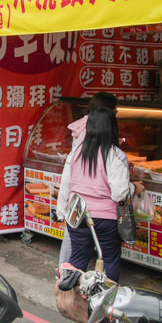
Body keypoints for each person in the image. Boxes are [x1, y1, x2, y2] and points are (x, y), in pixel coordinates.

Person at [56, 108, 142, 282]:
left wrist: (61, 211)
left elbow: (65, 183)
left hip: (76, 214)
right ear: (112, 127)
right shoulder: (115, 155)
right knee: (108, 259)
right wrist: (134, 188)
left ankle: (72, 300)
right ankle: (105, 302)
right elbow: (119, 194)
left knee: (78, 260)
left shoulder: (76, 152)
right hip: (105, 218)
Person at [58, 92, 118, 266]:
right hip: (88, 201)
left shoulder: (84, 125)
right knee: (78, 248)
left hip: (77, 199)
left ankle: (65, 278)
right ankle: (65, 276)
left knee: (76, 247)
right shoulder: (91, 130)